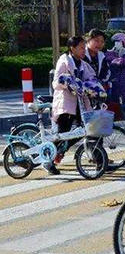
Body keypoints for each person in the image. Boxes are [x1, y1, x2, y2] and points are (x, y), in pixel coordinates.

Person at [48, 36, 97, 175]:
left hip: (80, 103)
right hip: (66, 102)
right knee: (61, 134)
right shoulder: (64, 60)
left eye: (84, 47)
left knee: (84, 130)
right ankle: (48, 161)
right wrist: (68, 83)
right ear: (72, 48)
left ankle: (62, 150)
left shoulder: (82, 63)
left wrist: (94, 86)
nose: (84, 50)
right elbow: (56, 81)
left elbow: (91, 76)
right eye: (81, 48)